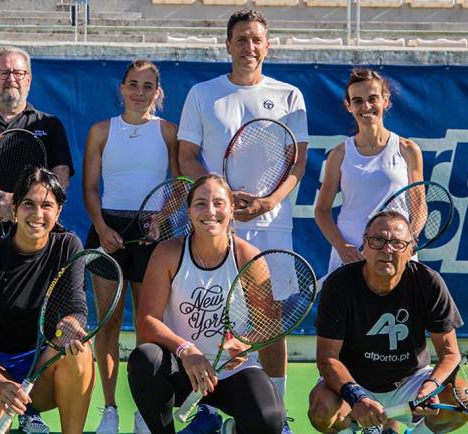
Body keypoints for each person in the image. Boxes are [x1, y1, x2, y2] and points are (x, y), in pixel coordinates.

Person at [176, 8, 308, 433]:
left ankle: (277, 409)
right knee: (211, 314)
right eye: (241, 39)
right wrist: (223, 199)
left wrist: (269, 200)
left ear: (266, 45)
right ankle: (210, 408)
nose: (249, 47)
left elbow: (297, 165)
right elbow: (186, 156)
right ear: (227, 44)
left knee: (269, 319)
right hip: (217, 224)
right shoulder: (202, 93)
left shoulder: (290, 95)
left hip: (272, 225)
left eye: (256, 39)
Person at [128, 174, 285, 434]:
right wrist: (187, 350)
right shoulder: (168, 253)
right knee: (145, 360)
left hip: (232, 372)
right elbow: (147, 320)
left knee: (268, 421)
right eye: (200, 204)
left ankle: (234, 428)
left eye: (219, 203)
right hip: (182, 370)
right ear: (188, 212)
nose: (210, 211)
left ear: (232, 210)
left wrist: (246, 342)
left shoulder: (249, 257)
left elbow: (268, 324)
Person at [82, 58, 180, 434]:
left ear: (158, 92)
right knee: (106, 326)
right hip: (109, 230)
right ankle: (109, 410)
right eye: (133, 84)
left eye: (148, 86)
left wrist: (162, 218)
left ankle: (145, 409)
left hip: (152, 235)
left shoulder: (169, 132)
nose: (140, 92)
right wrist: (101, 226)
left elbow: (179, 183)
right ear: (122, 89)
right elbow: (90, 188)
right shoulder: (101, 131)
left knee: (147, 328)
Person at [308, 211, 468, 434]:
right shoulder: (339, 285)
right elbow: (327, 358)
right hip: (354, 380)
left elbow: (450, 353)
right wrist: (357, 396)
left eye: (397, 243)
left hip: (411, 380)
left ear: (410, 250)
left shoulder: (428, 282)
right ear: (364, 246)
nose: (387, 250)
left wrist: (431, 387)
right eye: (378, 241)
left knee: (463, 400)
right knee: (321, 408)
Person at [0, 167, 94, 434]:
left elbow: (76, 308)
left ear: (58, 212)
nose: (37, 214)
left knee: (79, 352)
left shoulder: (69, 246)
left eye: (47, 205)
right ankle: (10, 414)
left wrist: (71, 323)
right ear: (14, 210)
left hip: (42, 367)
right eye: (28, 204)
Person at [0, 46, 75, 258]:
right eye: (3, 72)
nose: (11, 78)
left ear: (28, 79)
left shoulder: (50, 124)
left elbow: (61, 176)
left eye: (19, 73)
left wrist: (23, 204)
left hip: (38, 239)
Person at [314, 69, 424, 279]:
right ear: (349, 106)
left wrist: (409, 241)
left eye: (373, 99)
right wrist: (342, 247)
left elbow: (418, 205)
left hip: (396, 254)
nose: (366, 107)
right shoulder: (339, 154)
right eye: (358, 101)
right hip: (350, 257)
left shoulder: (408, 150)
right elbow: (322, 211)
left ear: (385, 100)